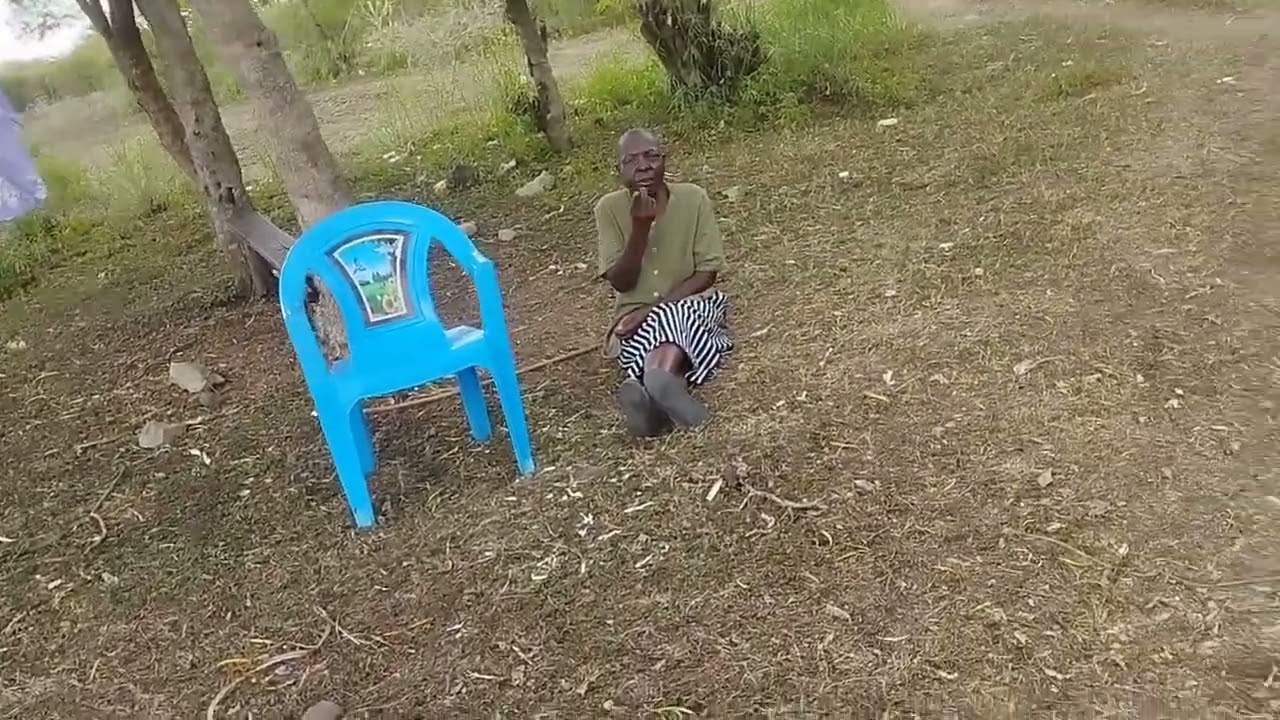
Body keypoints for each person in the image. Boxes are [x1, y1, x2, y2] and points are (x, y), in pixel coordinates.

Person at [595, 128, 733, 437]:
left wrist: (652, 310)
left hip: (693, 303)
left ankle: (646, 382)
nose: (642, 165)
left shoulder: (693, 198)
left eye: (651, 156)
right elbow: (621, 282)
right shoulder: (608, 209)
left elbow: (706, 274)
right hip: (633, 318)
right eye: (630, 160)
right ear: (618, 171)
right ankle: (659, 392)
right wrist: (640, 230)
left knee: (675, 317)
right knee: (642, 337)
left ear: (664, 161)